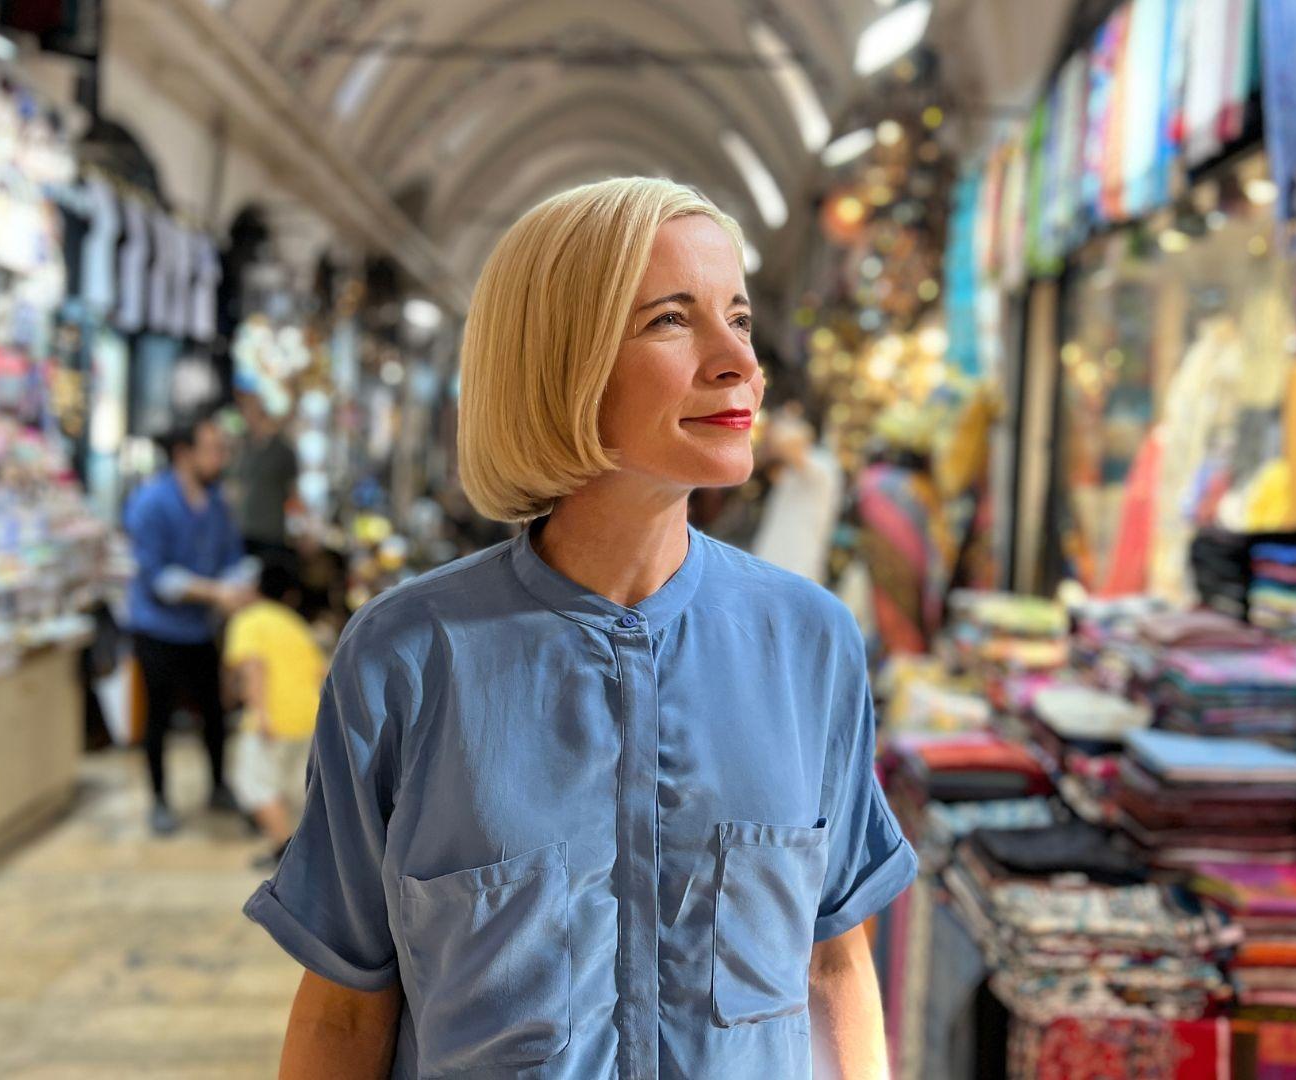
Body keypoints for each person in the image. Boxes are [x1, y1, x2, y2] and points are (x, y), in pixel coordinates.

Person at [245, 178, 916, 1079]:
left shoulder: (808, 645)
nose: (739, 364)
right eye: (672, 320)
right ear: (561, 364)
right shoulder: (408, 659)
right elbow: (343, 1013)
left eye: (739, 319)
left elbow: (834, 964)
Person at [123, 414, 256, 835]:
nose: (221, 458)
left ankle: (218, 786)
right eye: (213, 449)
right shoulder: (151, 502)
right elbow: (158, 578)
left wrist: (239, 584)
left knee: (215, 712)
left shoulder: (217, 503)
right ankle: (159, 800)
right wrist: (217, 593)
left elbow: (234, 556)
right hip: (157, 628)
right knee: (158, 716)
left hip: (202, 629)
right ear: (184, 454)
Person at [225, 561, 326, 867]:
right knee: (296, 789)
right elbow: (321, 672)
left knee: (257, 786)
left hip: (273, 717)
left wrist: (260, 713)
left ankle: (287, 856)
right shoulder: (296, 624)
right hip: (309, 717)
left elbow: (253, 666)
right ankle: (301, 853)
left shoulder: (249, 620)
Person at [749, 408, 845, 583]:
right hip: (773, 554)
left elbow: (787, 448)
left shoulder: (822, 463)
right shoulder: (791, 469)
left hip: (797, 560)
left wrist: (780, 429)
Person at [231, 381, 299, 574]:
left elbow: (293, 492)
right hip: (244, 530)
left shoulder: (283, 451)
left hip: (271, 531)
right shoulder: (243, 448)